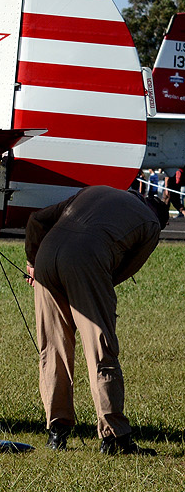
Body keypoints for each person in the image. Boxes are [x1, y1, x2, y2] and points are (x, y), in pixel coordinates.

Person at [24, 186, 168, 455]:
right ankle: (114, 437)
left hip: (46, 256)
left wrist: (33, 261)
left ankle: (57, 432)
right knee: (101, 349)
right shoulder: (151, 225)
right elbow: (123, 269)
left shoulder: (96, 191)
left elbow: (37, 219)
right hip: (87, 261)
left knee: (53, 348)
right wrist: (90, 292)